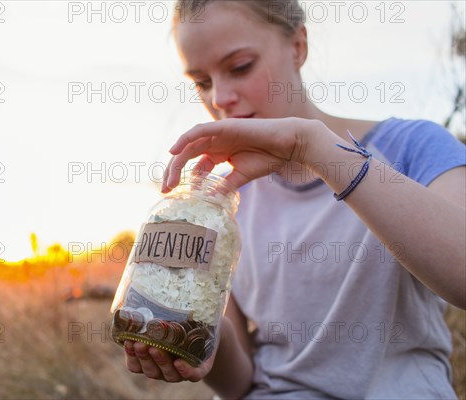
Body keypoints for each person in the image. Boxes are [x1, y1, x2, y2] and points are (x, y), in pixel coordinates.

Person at [123, 1, 466, 398]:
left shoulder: (412, 147)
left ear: (298, 45)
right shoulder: (224, 205)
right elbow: (240, 381)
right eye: (202, 82)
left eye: (239, 67)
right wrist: (198, 343)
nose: (220, 98)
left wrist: (314, 148)